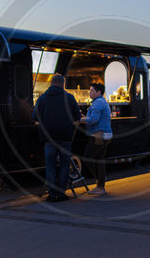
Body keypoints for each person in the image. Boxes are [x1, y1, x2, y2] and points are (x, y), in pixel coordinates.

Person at [32, 74, 81, 202]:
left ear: (51, 84)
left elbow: (34, 117)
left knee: (50, 166)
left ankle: (52, 195)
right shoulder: (69, 98)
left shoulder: (42, 99)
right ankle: (61, 193)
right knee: (64, 165)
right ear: (63, 84)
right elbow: (77, 116)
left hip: (48, 138)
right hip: (65, 137)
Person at [80, 83, 113, 195]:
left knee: (87, 158)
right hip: (105, 135)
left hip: (98, 136)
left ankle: (101, 180)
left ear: (99, 92)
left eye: (92, 90)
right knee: (99, 160)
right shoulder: (101, 102)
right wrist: (86, 118)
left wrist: (80, 119)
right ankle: (100, 186)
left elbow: (94, 120)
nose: (90, 92)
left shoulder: (98, 103)